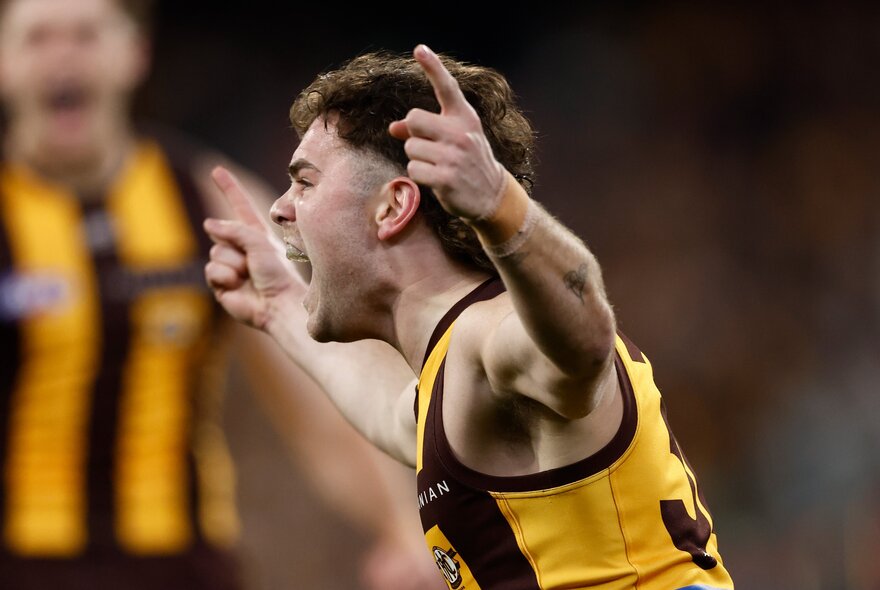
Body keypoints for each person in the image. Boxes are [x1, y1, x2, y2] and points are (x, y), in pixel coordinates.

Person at [204, 44, 737, 589]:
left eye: (305, 182)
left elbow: (586, 346)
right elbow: (386, 411)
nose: (280, 208)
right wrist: (278, 305)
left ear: (392, 207)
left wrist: (500, 206)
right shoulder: (450, 377)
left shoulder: (494, 337)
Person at [0, 0, 444, 588]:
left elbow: (320, 383)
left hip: (183, 566)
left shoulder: (210, 202)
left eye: (84, 34)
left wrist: (404, 529)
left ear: (135, 54)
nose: (63, 55)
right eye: (38, 37)